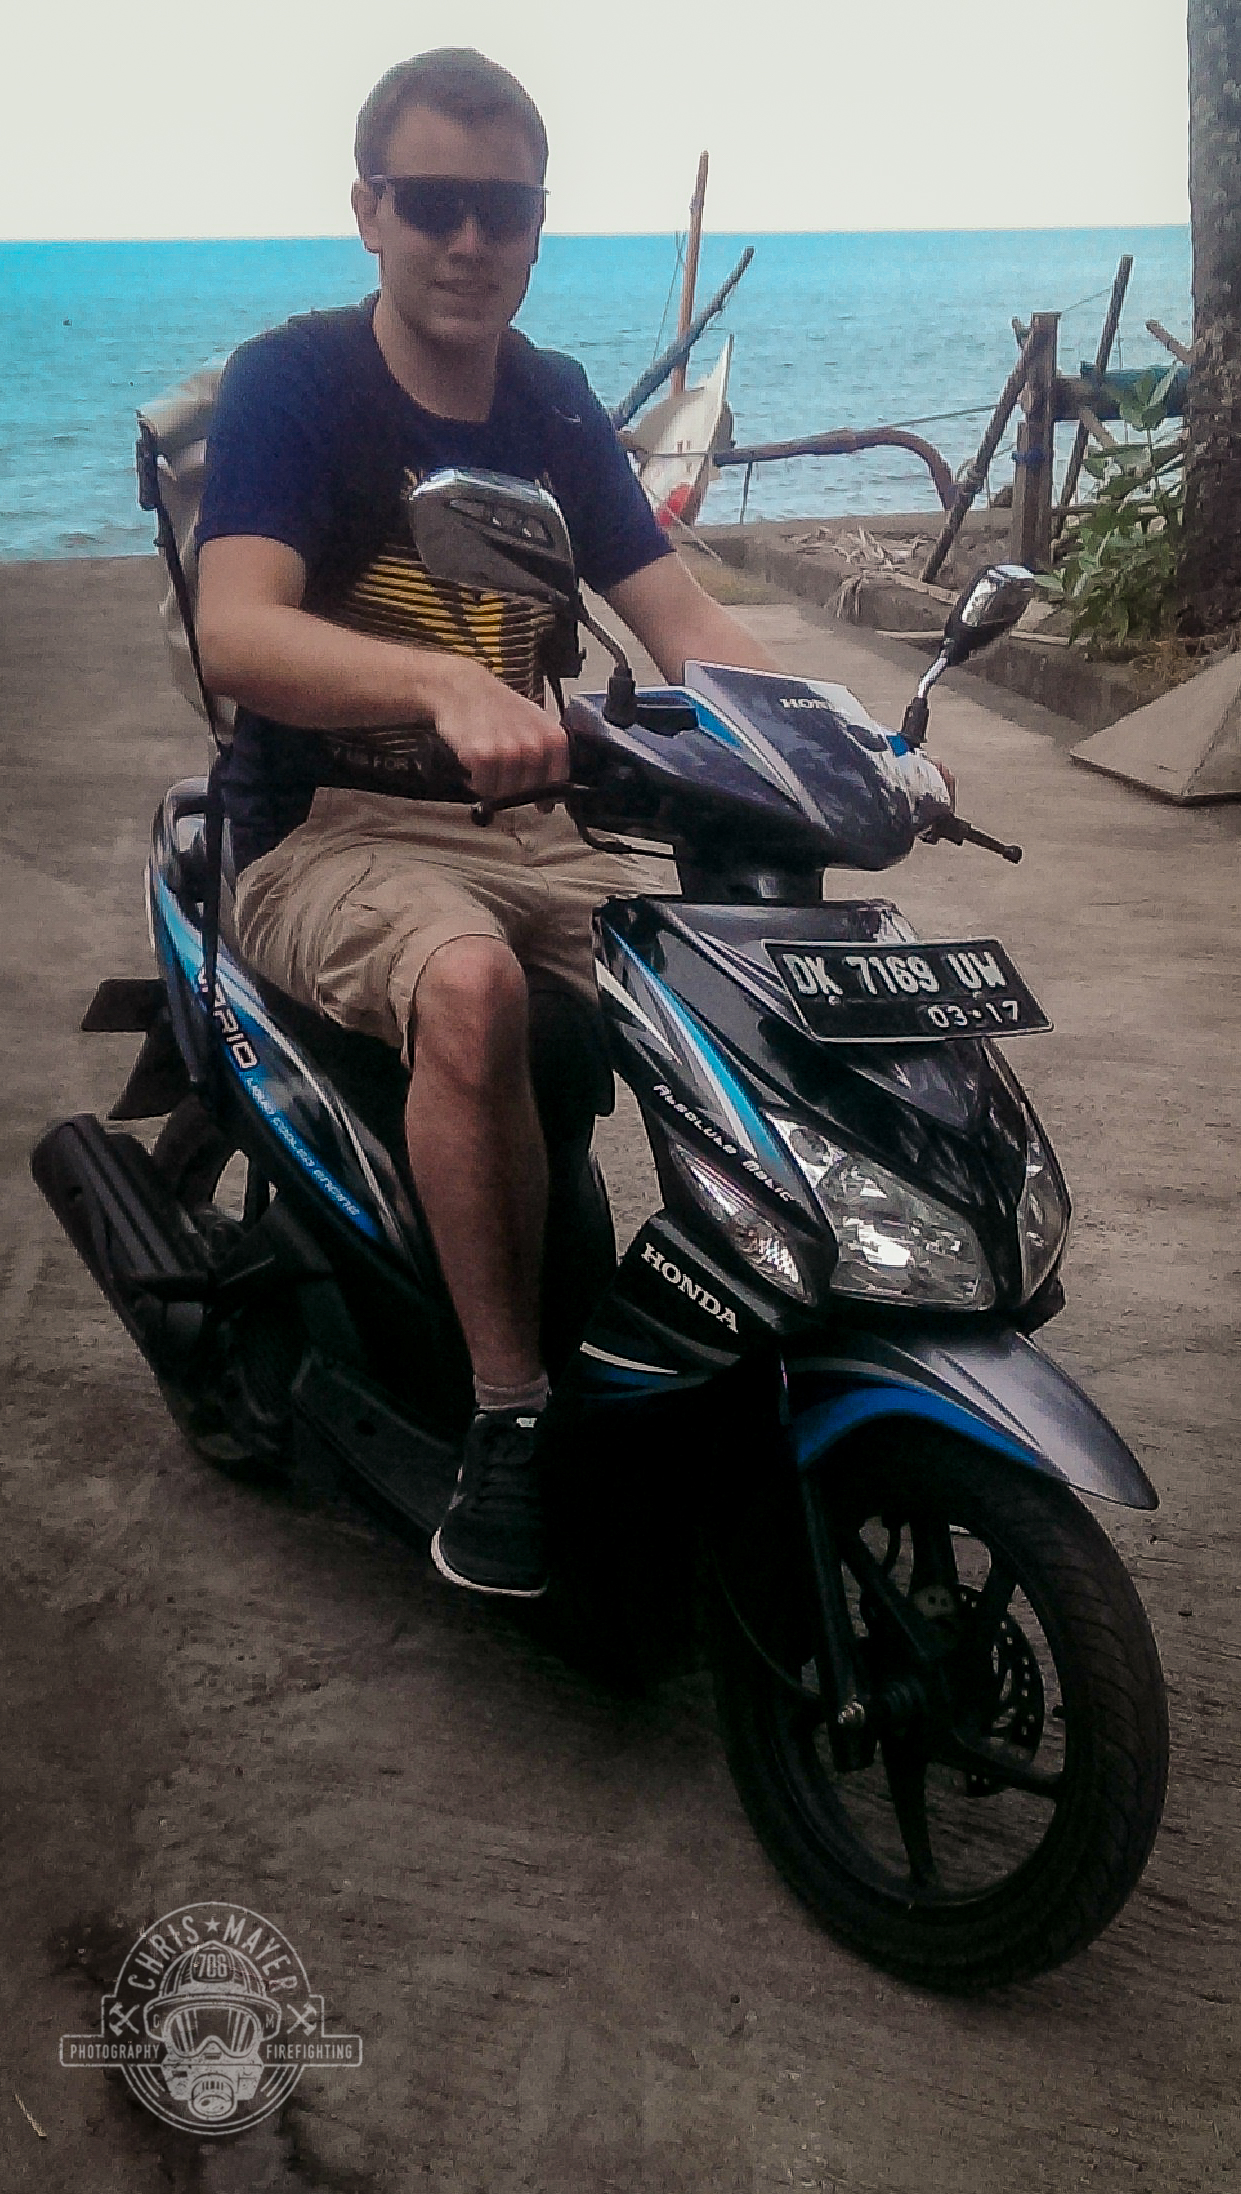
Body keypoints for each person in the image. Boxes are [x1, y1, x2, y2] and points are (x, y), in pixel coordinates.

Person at [195, 47, 946, 1602]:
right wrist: (437, 682)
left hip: (540, 829)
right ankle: (512, 1416)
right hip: (329, 825)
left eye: (506, 209)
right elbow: (239, 631)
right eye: (434, 203)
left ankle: (790, 1321)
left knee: (760, 990)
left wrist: (859, 743)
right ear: (369, 211)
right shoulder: (296, 382)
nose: (469, 240)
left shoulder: (547, 399)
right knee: (469, 985)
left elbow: (684, 619)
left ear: (539, 227)